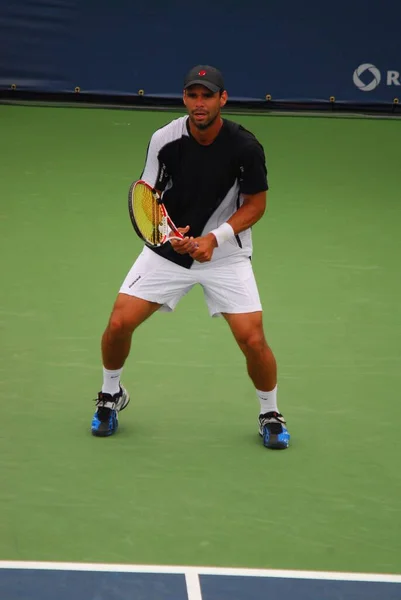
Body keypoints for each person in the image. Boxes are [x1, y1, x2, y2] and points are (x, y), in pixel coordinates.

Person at [91, 65, 290, 449]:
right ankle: (110, 394)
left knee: (252, 339)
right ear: (185, 99)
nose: (199, 104)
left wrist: (214, 238)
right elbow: (147, 194)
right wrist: (168, 233)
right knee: (118, 323)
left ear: (222, 100)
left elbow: (256, 205)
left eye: (207, 96)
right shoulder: (164, 139)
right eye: (192, 96)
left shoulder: (245, 147)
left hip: (226, 255)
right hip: (169, 252)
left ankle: (270, 412)